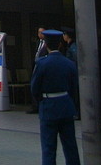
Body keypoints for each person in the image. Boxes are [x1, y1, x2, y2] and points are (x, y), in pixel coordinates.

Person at [30, 29, 80, 165]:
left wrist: (42, 101)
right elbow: (73, 87)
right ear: (59, 44)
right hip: (66, 106)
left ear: (46, 45)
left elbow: (34, 88)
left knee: (48, 148)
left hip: (48, 107)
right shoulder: (69, 64)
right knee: (70, 146)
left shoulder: (41, 64)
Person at [27, 26, 49, 113]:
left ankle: (41, 106)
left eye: (42, 32)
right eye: (39, 32)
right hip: (36, 65)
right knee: (34, 84)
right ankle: (35, 106)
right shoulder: (37, 42)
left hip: (43, 66)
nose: (40, 34)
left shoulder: (47, 43)